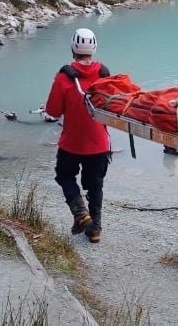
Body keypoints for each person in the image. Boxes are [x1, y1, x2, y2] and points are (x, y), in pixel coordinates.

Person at [45, 28, 111, 243]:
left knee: (64, 176)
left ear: (73, 48)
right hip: (99, 143)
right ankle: (95, 230)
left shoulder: (64, 78)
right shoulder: (105, 75)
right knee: (96, 185)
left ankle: (81, 213)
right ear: (94, 48)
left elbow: (53, 111)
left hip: (72, 143)